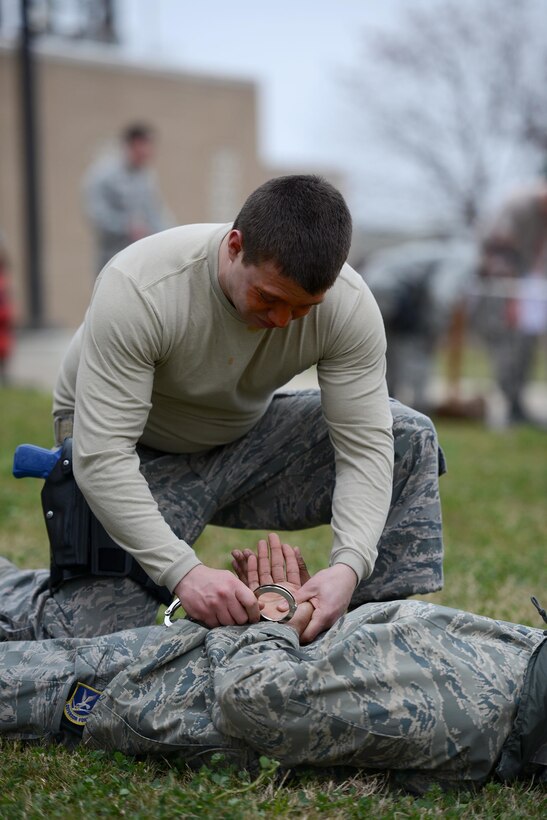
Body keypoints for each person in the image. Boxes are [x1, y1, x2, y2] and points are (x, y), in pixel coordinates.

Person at [50, 174, 445, 643]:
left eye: (302, 310)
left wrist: (350, 567)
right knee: (89, 647)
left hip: (240, 443)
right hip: (137, 458)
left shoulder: (348, 306)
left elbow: (365, 447)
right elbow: (104, 454)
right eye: (269, 299)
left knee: (407, 435)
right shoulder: (141, 288)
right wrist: (185, 574)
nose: (281, 321)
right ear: (235, 247)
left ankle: (360, 636)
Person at [0, 536, 544, 793]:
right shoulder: (522, 661)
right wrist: (308, 616)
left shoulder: (476, 703)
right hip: (196, 641)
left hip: (138, 681)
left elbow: (258, 701)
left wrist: (277, 610)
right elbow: (356, 669)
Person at [361, 239, 478, 413]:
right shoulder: (463, 262)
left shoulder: (438, 252)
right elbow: (441, 293)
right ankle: (419, 407)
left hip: (371, 284)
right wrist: (436, 329)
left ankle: (384, 406)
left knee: (385, 349)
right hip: (392, 292)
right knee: (417, 347)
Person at [475, 179, 547, 424]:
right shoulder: (519, 206)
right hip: (504, 288)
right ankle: (508, 404)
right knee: (508, 349)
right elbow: (497, 249)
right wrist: (512, 298)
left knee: (526, 348)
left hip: (530, 289)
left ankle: (518, 402)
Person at [83, 123, 171, 274]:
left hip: (139, 260)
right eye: (145, 146)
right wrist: (125, 227)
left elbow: (155, 214)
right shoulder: (103, 175)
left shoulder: (146, 177)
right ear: (133, 145)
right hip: (112, 260)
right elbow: (96, 214)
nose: (148, 152)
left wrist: (172, 237)